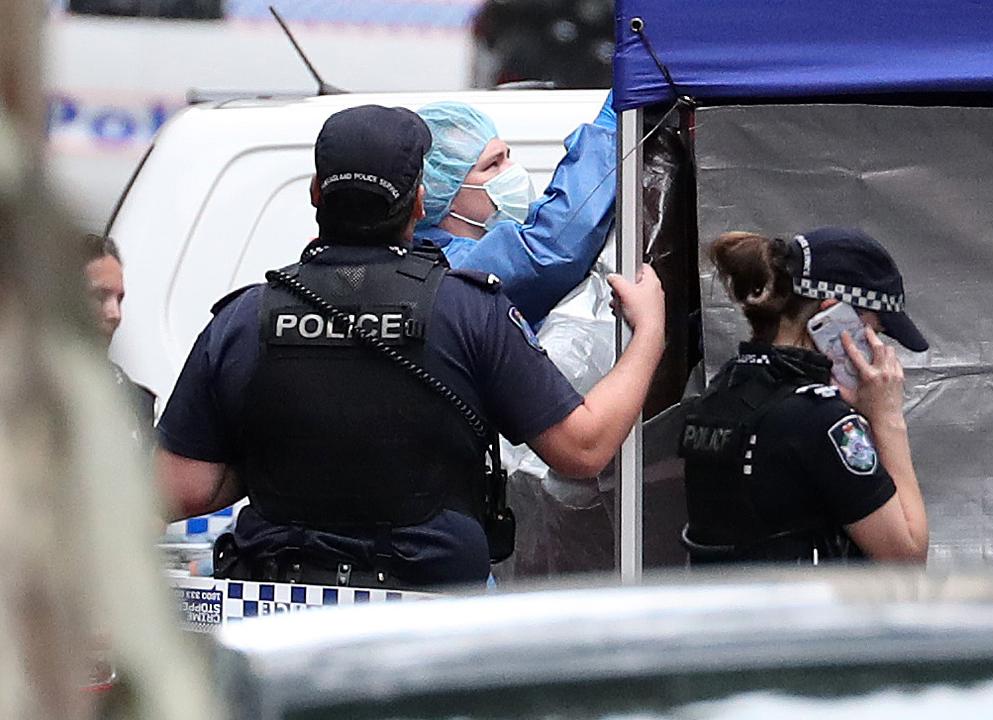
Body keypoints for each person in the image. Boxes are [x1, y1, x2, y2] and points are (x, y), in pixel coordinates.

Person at [152, 105, 666, 590]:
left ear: (315, 193)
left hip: (284, 618)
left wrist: (299, 452)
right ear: (420, 202)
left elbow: (179, 489)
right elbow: (583, 448)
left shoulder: (243, 320)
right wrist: (648, 334)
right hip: (431, 624)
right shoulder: (469, 311)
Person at [679, 227, 929, 565]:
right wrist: (888, 418)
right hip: (805, 615)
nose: (879, 348)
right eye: (876, 329)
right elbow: (906, 558)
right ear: (834, 315)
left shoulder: (717, 395)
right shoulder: (823, 421)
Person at [412, 94, 616, 325]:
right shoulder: (451, 268)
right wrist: (608, 135)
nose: (512, 170)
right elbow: (549, 249)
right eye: (493, 164)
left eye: (507, 156)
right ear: (440, 188)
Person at [83, 233, 156, 447]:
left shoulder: (134, 401)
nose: (115, 314)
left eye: (119, 299)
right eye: (99, 296)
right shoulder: (21, 389)